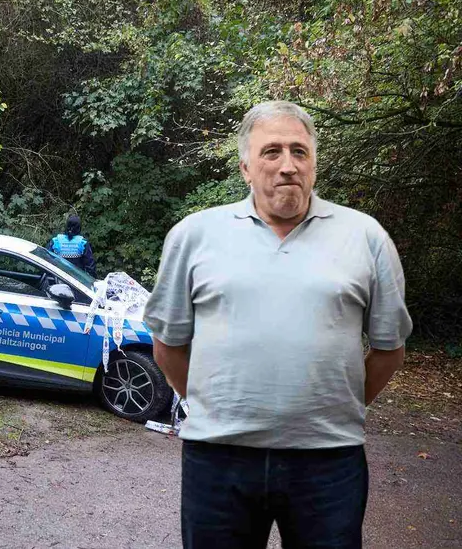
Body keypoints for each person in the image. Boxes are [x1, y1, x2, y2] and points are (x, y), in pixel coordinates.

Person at [143, 100, 412, 549]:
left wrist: (331, 405)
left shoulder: (366, 237)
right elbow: (168, 344)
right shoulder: (194, 234)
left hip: (329, 462)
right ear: (246, 167)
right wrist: (219, 404)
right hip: (218, 458)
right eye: (271, 152)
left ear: (314, 164)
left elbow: (389, 349)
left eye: (299, 152)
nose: (287, 165)